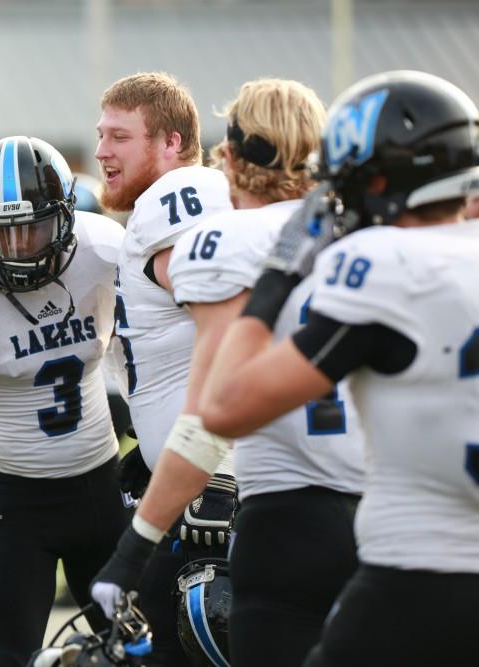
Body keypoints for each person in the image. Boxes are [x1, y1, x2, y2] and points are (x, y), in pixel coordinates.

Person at [197, 70, 479, 666]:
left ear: (376, 180)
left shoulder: (378, 262)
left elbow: (223, 407)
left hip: (417, 577)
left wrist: (276, 280)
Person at [94, 78, 367, 667]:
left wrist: (136, 542)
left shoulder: (214, 233)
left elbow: (213, 406)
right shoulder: (367, 237)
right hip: (379, 511)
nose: (102, 151)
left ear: (231, 155)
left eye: (118, 136)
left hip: (265, 506)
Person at [0, 135, 128, 666]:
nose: (19, 246)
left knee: (138, 654)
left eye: (33, 228)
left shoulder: (104, 251)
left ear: (66, 217)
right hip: (14, 504)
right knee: (6, 658)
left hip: (102, 489)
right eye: (4, 233)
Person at [95, 71, 232, 665]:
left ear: (171, 142)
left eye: (120, 136)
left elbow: (229, 323)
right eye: (101, 134)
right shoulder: (170, 205)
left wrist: (219, 474)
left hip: (212, 498)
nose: (102, 151)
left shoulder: (171, 202)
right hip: (190, 482)